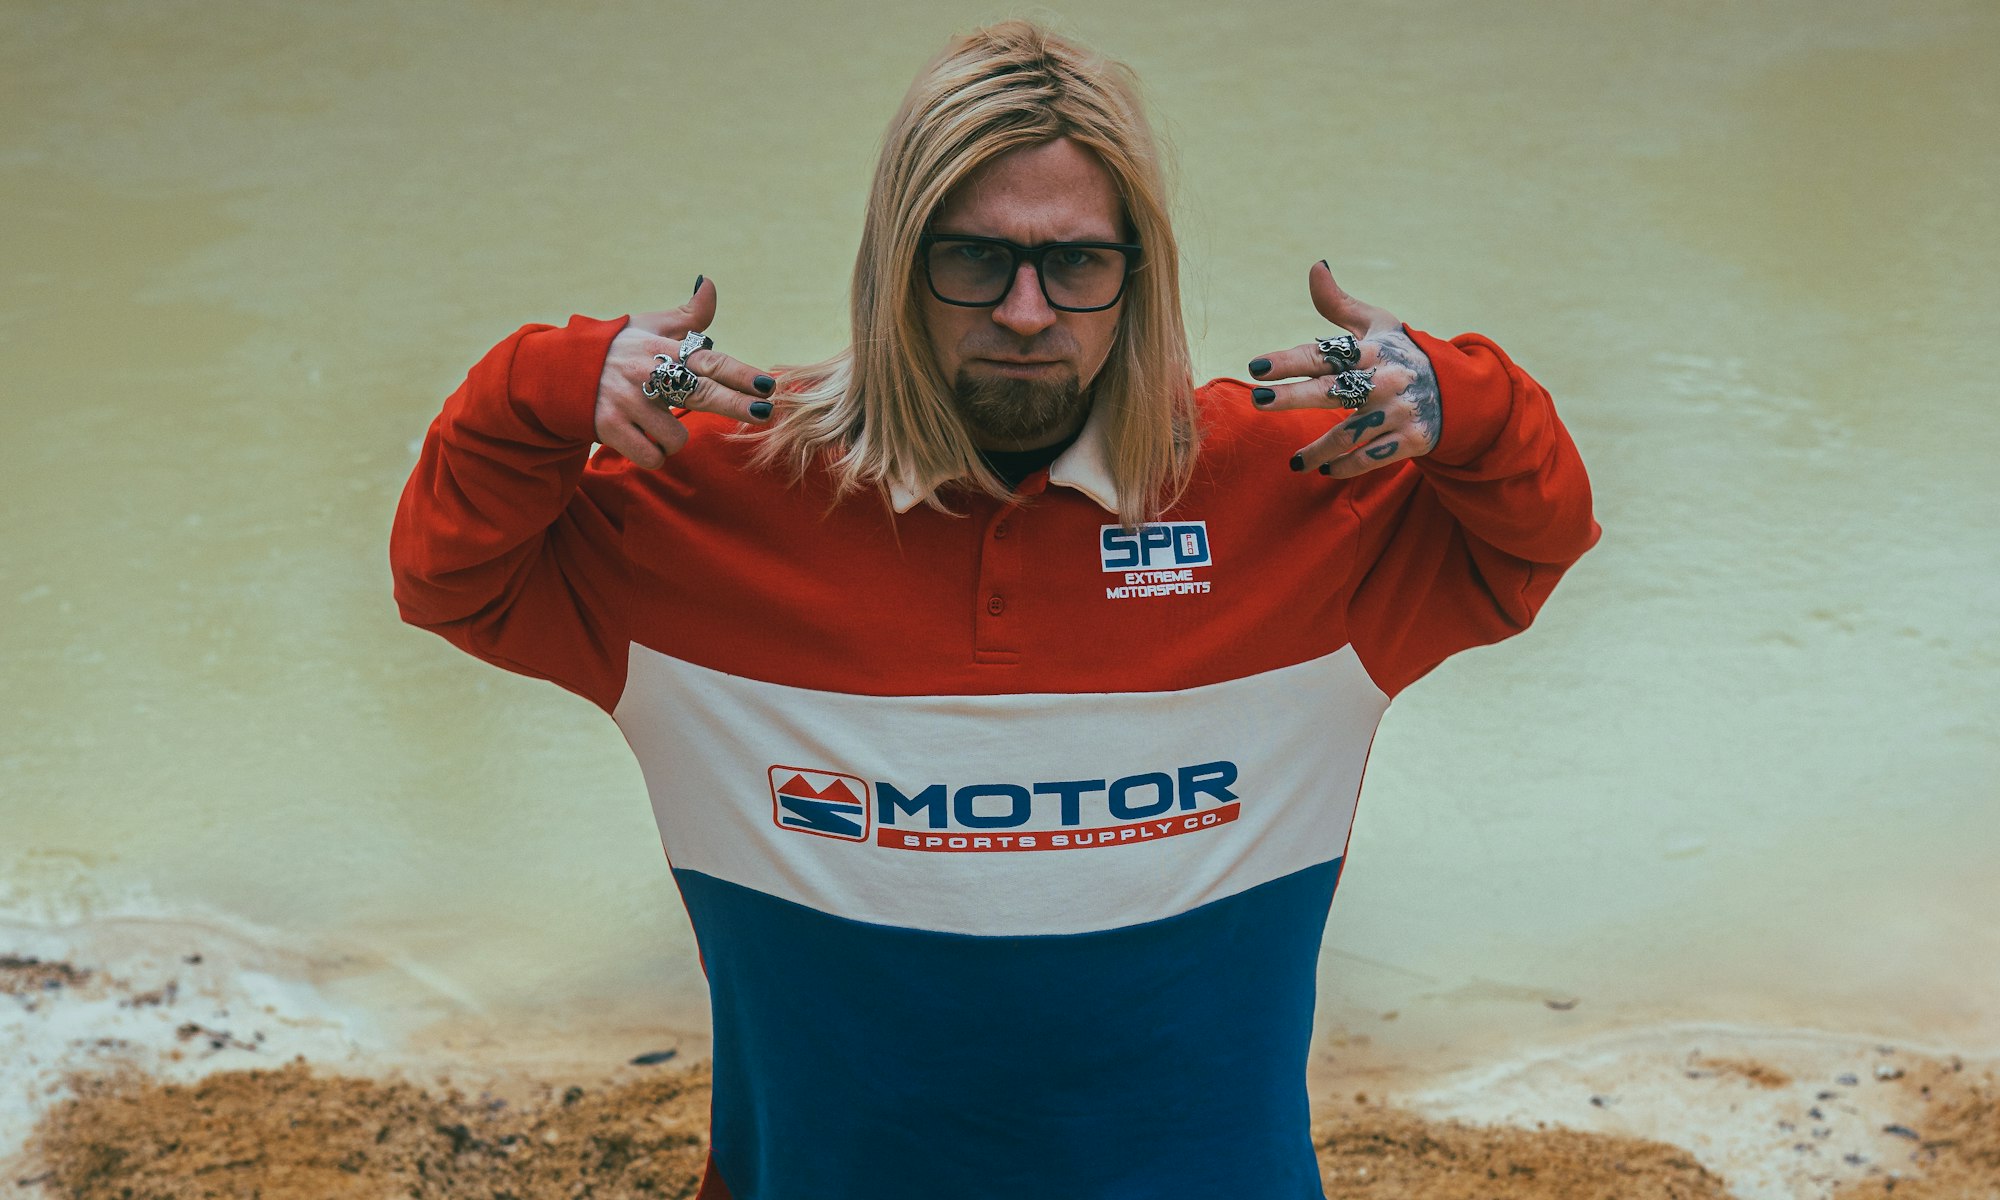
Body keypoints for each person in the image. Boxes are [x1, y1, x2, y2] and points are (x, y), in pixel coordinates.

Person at [390, 19, 1597, 1200]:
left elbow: (1528, 539)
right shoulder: (708, 499)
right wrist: (539, 388)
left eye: (1075, 263)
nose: (1025, 312)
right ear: (893, 267)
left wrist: (1463, 401)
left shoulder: (1297, 488)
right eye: (973, 258)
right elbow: (450, 574)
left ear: (1137, 278)